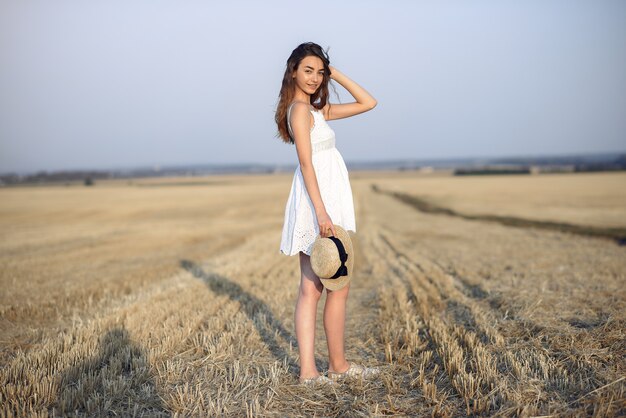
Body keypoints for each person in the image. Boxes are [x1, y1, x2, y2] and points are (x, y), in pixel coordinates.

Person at [275, 42, 378, 385]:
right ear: (292, 70)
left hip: (329, 200)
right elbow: (306, 164)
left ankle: (338, 365)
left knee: (338, 284)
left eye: (320, 72)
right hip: (316, 203)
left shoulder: (318, 111)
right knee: (312, 288)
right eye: (308, 70)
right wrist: (321, 214)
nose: (314, 78)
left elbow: (369, 102)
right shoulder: (300, 111)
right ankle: (310, 372)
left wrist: (334, 73)